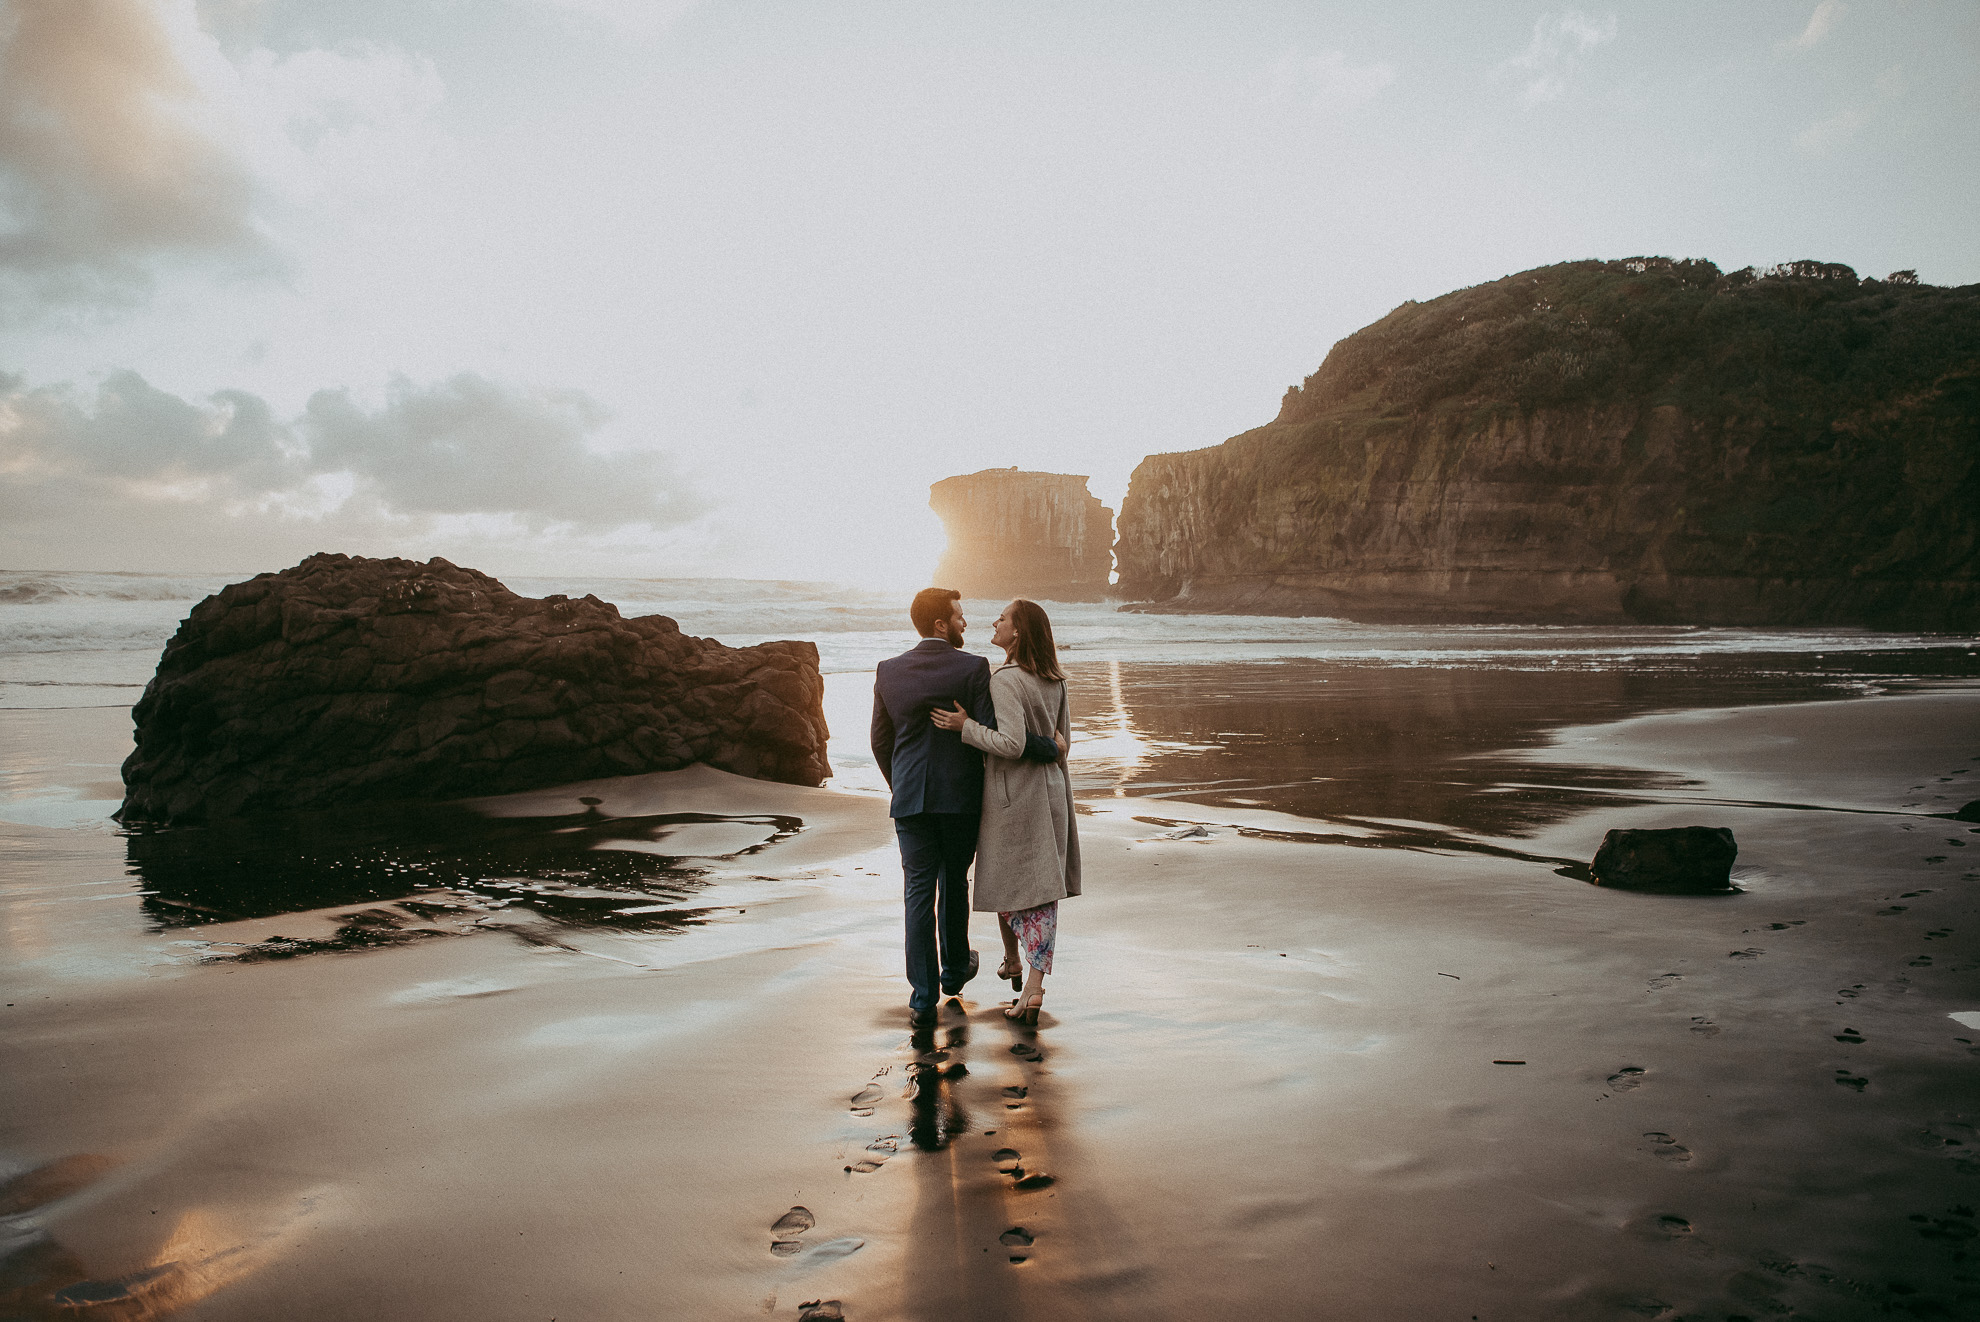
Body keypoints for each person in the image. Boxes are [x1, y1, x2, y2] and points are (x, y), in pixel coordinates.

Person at [871, 588, 1062, 1028]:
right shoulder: (972, 668)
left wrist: (900, 784)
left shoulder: (889, 670)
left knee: (917, 893)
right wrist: (1050, 747)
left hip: (910, 802)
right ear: (940, 623)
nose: (965, 623)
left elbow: (881, 740)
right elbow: (996, 734)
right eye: (958, 616)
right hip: (959, 800)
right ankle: (955, 972)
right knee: (954, 882)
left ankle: (922, 998)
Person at [930, 598, 1079, 1026]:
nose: (993, 622)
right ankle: (1021, 971)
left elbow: (1011, 745)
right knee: (1040, 887)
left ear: (1018, 633)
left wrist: (966, 728)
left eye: (1003, 618)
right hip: (1051, 791)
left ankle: (1030, 983)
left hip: (1015, 795)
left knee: (1009, 879)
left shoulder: (1006, 681)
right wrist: (1049, 748)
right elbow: (1063, 744)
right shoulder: (1056, 680)